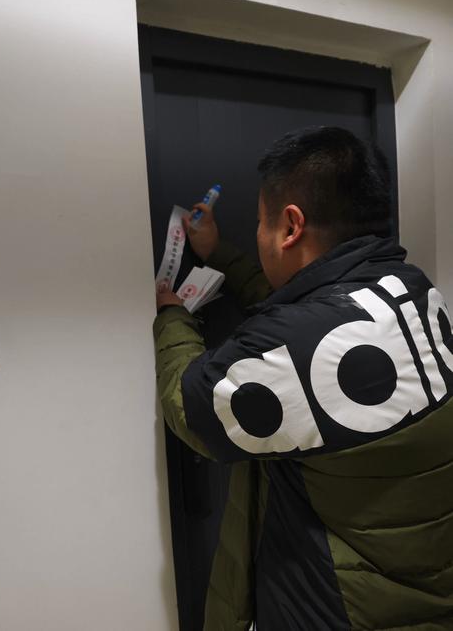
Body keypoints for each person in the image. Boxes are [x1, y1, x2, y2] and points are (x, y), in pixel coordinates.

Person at [153, 127, 453, 631]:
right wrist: (222, 254)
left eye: (260, 222)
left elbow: (190, 410)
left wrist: (171, 316)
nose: (258, 233)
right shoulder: (413, 291)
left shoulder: (298, 343)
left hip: (340, 613)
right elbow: (306, 323)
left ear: (291, 226)